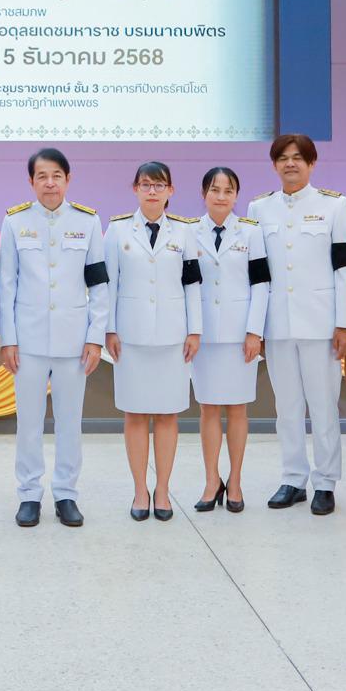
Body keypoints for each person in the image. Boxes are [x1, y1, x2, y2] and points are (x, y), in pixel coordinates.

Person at [0, 148, 108, 527]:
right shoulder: (14, 222)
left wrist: (95, 337)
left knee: (69, 421)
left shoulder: (88, 222)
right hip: (27, 341)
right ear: (31, 181)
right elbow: (6, 285)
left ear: (68, 179)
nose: (50, 183)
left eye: (56, 175)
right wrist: (8, 339)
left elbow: (99, 284)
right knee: (28, 422)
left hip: (73, 340)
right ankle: (29, 494)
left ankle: (66, 493)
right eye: (42, 176)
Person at [247, 133, 346, 516]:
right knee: (287, 408)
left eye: (298, 157)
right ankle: (293, 478)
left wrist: (344, 323)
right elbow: (257, 273)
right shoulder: (259, 208)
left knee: (323, 406)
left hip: (321, 324)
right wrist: (256, 326)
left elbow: (344, 268)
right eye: (283, 158)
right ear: (274, 164)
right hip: (277, 324)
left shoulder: (334, 205)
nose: (290, 163)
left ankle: (325, 482)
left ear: (312, 163)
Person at [104, 162, 203, 521]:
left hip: (173, 337)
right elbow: (109, 283)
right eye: (145, 184)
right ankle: (139, 490)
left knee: (166, 415)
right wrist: (108, 329)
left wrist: (195, 330)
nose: (152, 191)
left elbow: (192, 283)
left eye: (159, 185)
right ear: (135, 189)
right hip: (129, 338)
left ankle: (162, 489)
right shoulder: (117, 230)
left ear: (170, 191)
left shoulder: (184, 231)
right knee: (134, 414)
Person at [191, 167, 268, 512]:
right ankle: (212, 481)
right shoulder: (189, 232)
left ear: (236, 195)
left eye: (228, 190)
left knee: (237, 409)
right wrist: (191, 330)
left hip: (240, 337)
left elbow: (261, 284)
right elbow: (187, 285)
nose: (221, 196)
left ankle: (235, 481)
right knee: (208, 408)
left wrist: (254, 331)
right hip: (203, 335)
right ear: (204, 194)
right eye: (214, 189)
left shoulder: (251, 232)